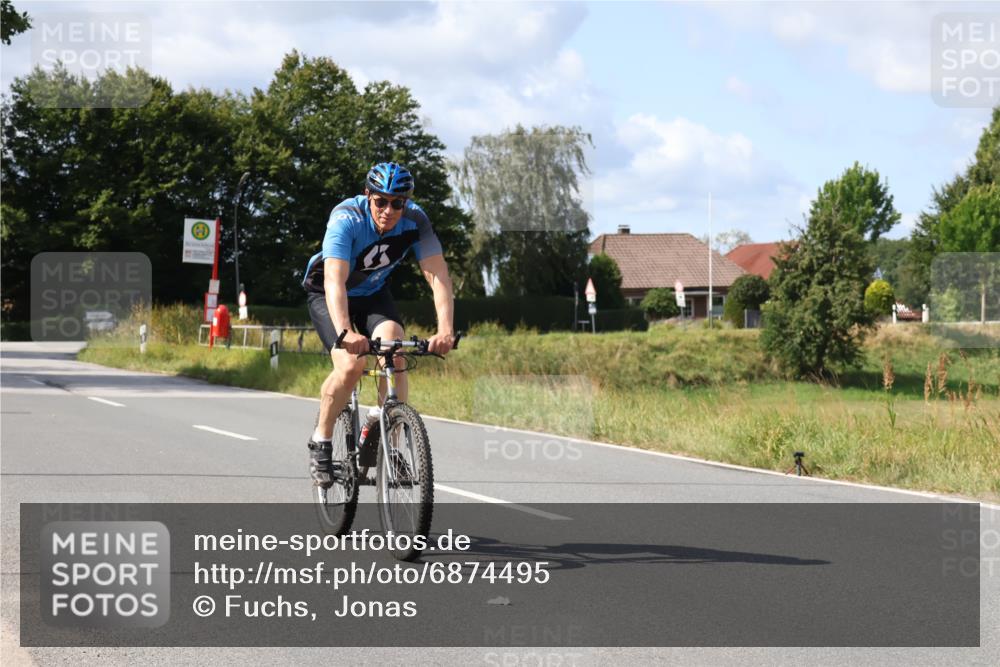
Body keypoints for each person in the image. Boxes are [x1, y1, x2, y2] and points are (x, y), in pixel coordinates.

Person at [302, 162, 456, 485]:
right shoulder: (346, 218)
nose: (388, 210)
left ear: (406, 202)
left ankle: (385, 433)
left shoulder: (415, 220)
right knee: (350, 366)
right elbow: (334, 280)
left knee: (394, 348)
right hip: (328, 292)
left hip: (372, 292)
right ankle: (322, 439)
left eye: (397, 202)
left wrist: (445, 330)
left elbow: (438, 274)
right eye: (381, 201)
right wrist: (346, 332)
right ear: (367, 196)